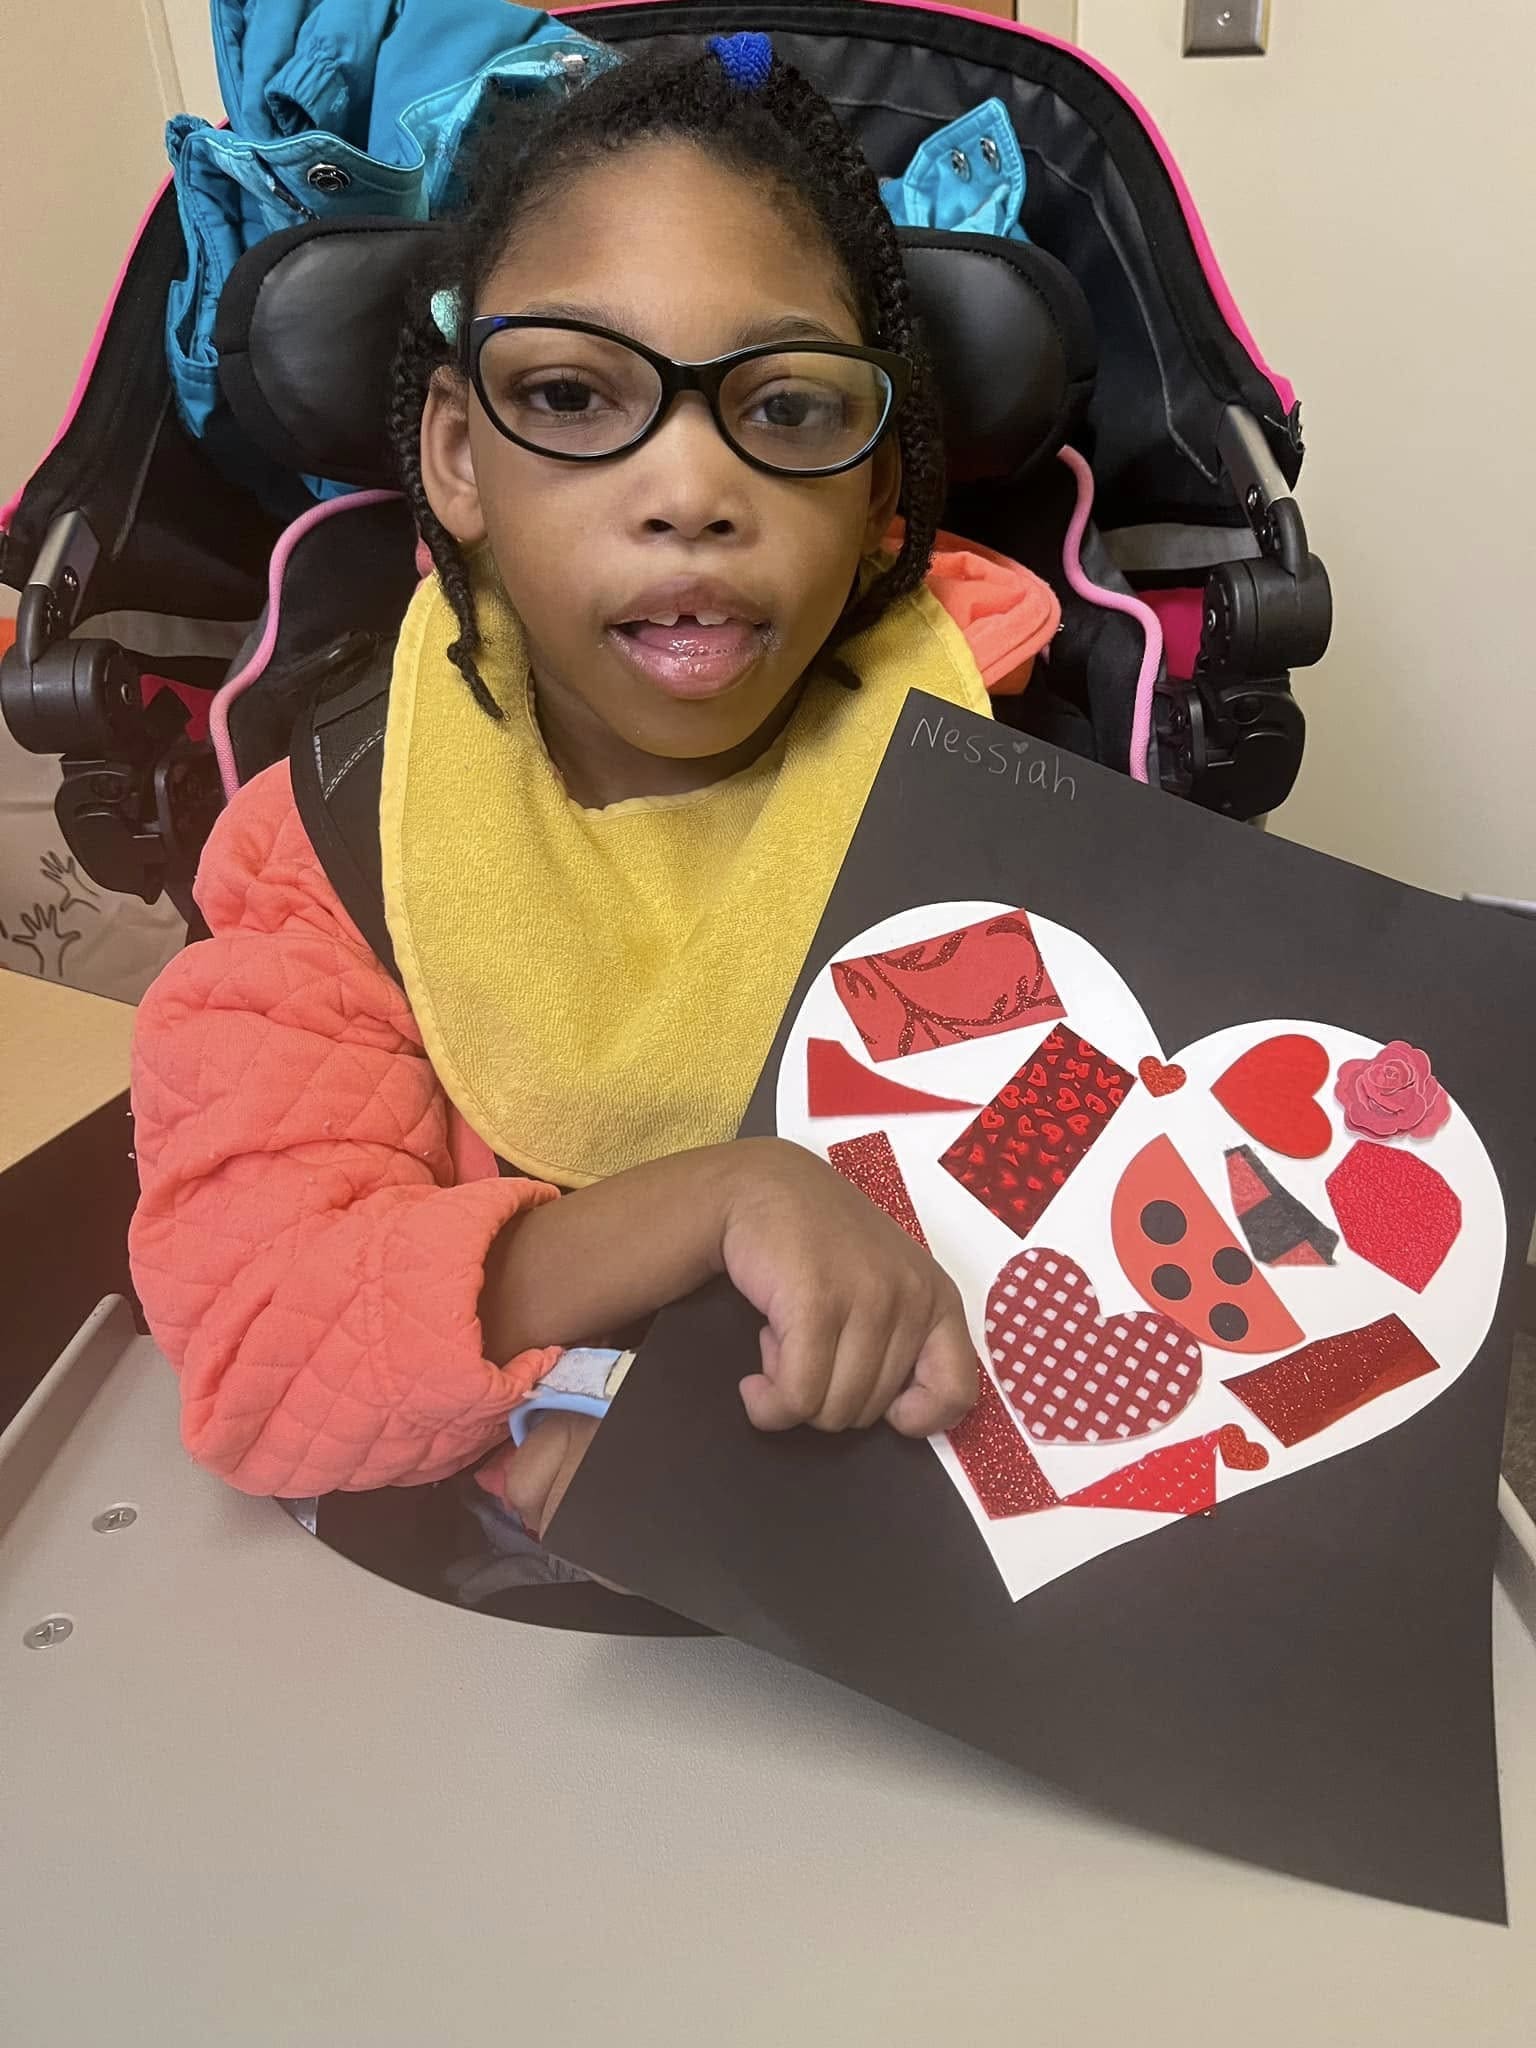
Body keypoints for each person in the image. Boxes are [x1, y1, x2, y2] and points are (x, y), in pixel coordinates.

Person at [128, 37, 1060, 1562]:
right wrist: (711, 1203)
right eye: (570, 393)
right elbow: (260, 1355)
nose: (689, 493)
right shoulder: (337, 852)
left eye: (791, 409)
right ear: (457, 457)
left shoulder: (1014, 768)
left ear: (881, 491)